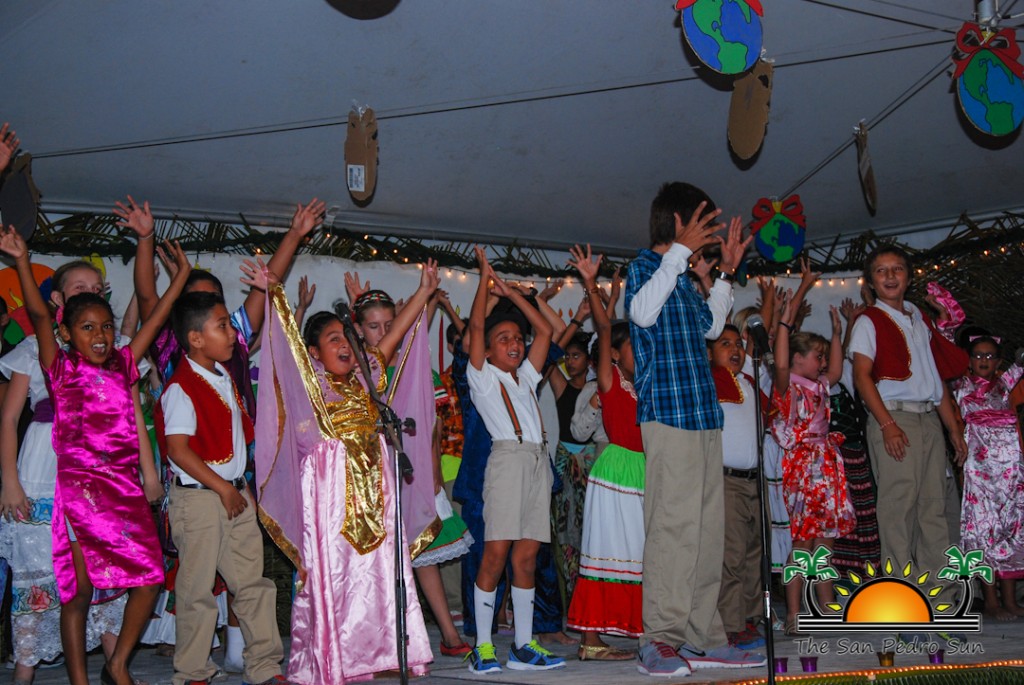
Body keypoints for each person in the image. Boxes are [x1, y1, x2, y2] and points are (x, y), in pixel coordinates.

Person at [0, 227, 190, 685]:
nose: (101, 336)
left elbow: (155, 319)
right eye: (87, 328)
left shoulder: (123, 364)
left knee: (149, 578)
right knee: (79, 592)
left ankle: (118, 663)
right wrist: (22, 261)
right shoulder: (59, 369)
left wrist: (181, 277)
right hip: (79, 493)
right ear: (67, 333)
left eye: (105, 326)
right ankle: (81, 680)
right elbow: (39, 315)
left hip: (122, 488)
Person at [255, 262, 440, 683]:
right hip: (332, 495)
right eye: (333, 339)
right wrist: (275, 294)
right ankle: (335, 659)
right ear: (314, 353)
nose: (344, 345)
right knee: (337, 575)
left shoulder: (367, 376)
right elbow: (284, 344)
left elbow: (393, 336)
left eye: (347, 337)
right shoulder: (311, 385)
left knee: (379, 572)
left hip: (376, 487)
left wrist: (424, 291)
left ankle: (379, 653)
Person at [625, 182, 762, 676]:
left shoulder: (681, 276)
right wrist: (680, 255)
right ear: (680, 222)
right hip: (668, 415)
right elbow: (641, 313)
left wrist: (724, 273)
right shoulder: (646, 267)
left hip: (703, 416)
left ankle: (703, 638)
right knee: (672, 529)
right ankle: (659, 639)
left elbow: (710, 327)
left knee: (706, 533)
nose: (711, 233)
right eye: (704, 223)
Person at [0, 260, 143, 685]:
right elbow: (8, 418)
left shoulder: (113, 349)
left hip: (99, 472)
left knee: (104, 566)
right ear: (59, 300)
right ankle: (25, 667)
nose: (91, 293)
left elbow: (131, 416)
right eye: (80, 287)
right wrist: (10, 482)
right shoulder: (34, 347)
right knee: (38, 568)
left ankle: (116, 662)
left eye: (98, 288)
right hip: (43, 466)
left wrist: (144, 475)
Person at [159, 289, 290, 685]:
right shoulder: (182, 386)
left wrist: (237, 488)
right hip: (201, 499)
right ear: (195, 338)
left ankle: (264, 666)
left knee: (253, 583)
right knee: (197, 588)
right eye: (222, 326)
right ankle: (193, 671)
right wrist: (223, 488)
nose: (233, 333)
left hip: (234, 492)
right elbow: (178, 450)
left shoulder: (221, 375)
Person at [464, 247, 565, 673]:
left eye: (516, 338)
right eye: (503, 338)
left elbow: (545, 330)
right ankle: (482, 646)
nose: (514, 342)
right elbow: (475, 326)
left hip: (537, 463)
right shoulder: (483, 378)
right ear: (486, 351)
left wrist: (514, 295)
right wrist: (485, 284)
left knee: (526, 558)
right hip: (507, 463)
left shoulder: (526, 376)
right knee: (495, 555)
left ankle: (523, 646)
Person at [849, 246, 967, 578]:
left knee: (934, 508)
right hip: (894, 416)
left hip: (928, 418)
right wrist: (887, 424)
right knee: (898, 509)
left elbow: (934, 378)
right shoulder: (869, 320)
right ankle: (902, 594)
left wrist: (953, 429)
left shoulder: (918, 316)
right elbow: (861, 376)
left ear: (909, 276)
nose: (890, 276)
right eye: (881, 271)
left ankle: (938, 595)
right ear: (871, 281)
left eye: (897, 269)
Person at [563, 244, 639, 661]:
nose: (640, 353)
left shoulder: (645, 385)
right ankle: (590, 640)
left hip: (643, 472)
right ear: (612, 354)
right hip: (616, 470)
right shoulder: (609, 383)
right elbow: (605, 327)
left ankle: (638, 627)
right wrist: (592, 285)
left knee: (637, 554)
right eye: (633, 347)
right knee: (606, 552)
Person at [771, 295, 856, 635]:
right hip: (803, 468)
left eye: (822, 355)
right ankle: (794, 614)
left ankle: (826, 609)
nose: (822, 362)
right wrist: (785, 323)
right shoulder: (788, 387)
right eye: (816, 356)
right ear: (796, 359)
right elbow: (780, 365)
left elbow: (836, 370)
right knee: (802, 545)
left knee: (825, 542)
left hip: (827, 466)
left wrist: (837, 334)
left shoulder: (820, 385)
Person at [953, 335, 1024, 619]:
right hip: (979, 470)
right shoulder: (961, 385)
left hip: (1010, 470)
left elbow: (1020, 364)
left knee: (1011, 528)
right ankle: (991, 601)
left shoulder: (1005, 384)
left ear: (998, 362)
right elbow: (943, 353)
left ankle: (1010, 600)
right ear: (969, 360)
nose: (983, 360)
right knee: (983, 530)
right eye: (978, 355)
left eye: (989, 356)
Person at [710, 324, 767, 650]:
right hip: (727, 480)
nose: (735, 349)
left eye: (738, 344)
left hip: (754, 480)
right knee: (731, 554)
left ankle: (750, 616)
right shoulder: (712, 381)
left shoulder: (748, 383)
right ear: (709, 352)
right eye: (725, 343)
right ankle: (731, 624)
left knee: (753, 552)